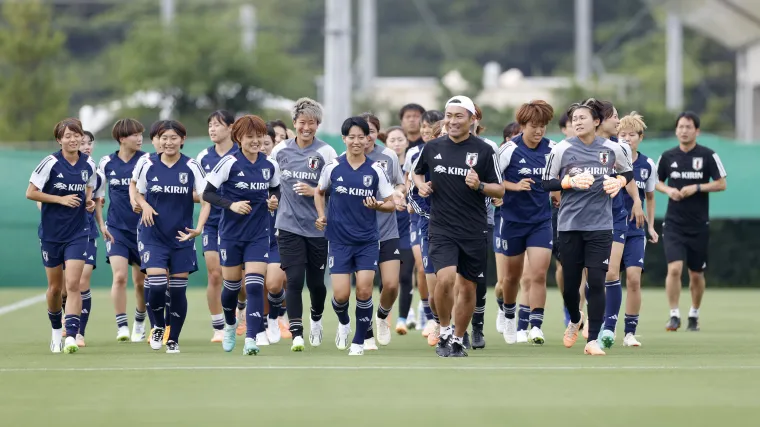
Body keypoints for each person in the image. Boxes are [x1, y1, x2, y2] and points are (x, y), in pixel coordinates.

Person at [413, 95, 504, 357]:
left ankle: (458, 338)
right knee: (445, 279)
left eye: (458, 116)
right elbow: (417, 172)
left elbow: (500, 189)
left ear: (472, 119)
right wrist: (421, 185)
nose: (452, 121)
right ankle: (443, 331)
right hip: (441, 227)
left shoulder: (485, 150)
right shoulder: (432, 148)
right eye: (449, 116)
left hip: (474, 229)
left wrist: (480, 186)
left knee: (468, 287)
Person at [542, 98, 633, 356]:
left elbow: (628, 173)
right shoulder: (561, 149)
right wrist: (568, 182)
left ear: (597, 122)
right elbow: (545, 183)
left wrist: (618, 182)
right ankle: (574, 318)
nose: (578, 122)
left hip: (601, 226)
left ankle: (592, 340)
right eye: (574, 119)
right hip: (569, 225)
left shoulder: (612, 149)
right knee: (570, 286)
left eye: (583, 118)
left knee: (596, 280)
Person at [315, 116, 395, 355]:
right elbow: (319, 193)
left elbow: (391, 203)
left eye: (362, 136)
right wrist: (322, 216)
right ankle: (344, 322)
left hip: (367, 241)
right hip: (338, 240)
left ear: (369, 138)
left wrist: (378, 206)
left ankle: (359, 342)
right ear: (344, 139)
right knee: (341, 295)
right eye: (352, 137)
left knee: (364, 290)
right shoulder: (332, 167)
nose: (357, 141)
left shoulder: (376, 170)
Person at [203, 115, 281, 355]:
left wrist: (273, 199)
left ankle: (251, 338)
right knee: (231, 288)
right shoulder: (229, 163)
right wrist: (231, 205)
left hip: (259, 234)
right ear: (238, 138)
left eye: (260, 137)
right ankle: (229, 324)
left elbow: (275, 187)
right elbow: (208, 194)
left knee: (256, 286)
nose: (256, 141)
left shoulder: (270, 165)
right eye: (250, 137)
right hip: (230, 235)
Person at [133, 120, 210, 353]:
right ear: (157, 140)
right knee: (156, 286)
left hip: (181, 237)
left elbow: (207, 200)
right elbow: (136, 189)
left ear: (182, 140)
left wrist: (198, 228)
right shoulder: (147, 164)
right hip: (152, 235)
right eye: (164, 138)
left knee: (177, 290)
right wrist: (143, 204)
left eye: (174, 138)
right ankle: (157, 326)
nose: (169, 142)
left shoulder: (192, 166)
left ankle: (173, 338)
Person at [270, 98, 338, 351]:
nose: (306, 127)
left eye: (311, 123)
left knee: (317, 284)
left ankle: (316, 318)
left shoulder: (327, 152)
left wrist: (315, 192)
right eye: (302, 123)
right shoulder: (279, 151)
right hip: (287, 226)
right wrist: (271, 200)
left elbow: (338, 188)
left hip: (317, 227)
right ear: (294, 124)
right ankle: (297, 332)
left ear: (317, 124)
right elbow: (271, 184)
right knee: (294, 279)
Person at [27, 118, 97, 353]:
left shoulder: (89, 164)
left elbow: (90, 189)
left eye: (76, 135)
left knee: (73, 284)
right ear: (59, 140)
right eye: (67, 136)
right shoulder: (50, 162)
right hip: (51, 234)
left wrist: (88, 202)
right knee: (56, 289)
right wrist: (60, 199)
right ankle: (56, 330)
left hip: (78, 232)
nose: (73, 139)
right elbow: (31, 193)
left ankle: (72, 334)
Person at [655, 111, 727, 332]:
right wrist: (669, 190)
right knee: (675, 269)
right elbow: (655, 181)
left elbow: (721, 183)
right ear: (676, 130)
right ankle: (674, 314)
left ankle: (694, 314)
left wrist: (696, 187)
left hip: (699, 224)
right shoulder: (667, 156)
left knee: (696, 274)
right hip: (674, 223)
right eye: (680, 127)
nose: (684, 130)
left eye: (688, 127)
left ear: (697, 131)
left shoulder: (708, 155)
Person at [498, 101, 555, 345]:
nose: (538, 131)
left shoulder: (553, 149)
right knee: (511, 277)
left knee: (538, 274)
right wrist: (515, 186)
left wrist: (558, 192)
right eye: (534, 126)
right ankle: (509, 315)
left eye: (542, 126)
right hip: (512, 221)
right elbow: (494, 182)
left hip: (541, 221)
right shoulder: (509, 150)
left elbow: (557, 179)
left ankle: (536, 325)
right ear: (523, 125)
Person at [593, 101, 644, 350]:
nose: (618, 121)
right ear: (599, 121)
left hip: (615, 217)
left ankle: (609, 329)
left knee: (612, 273)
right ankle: (577, 319)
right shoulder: (578, 147)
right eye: (613, 117)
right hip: (586, 219)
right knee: (590, 276)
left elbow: (629, 176)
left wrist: (636, 201)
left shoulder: (619, 149)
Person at [98, 119, 150, 343]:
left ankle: (140, 320)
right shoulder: (106, 162)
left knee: (141, 282)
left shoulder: (147, 160)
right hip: (116, 228)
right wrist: (100, 221)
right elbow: (97, 194)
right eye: (134, 135)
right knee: (119, 277)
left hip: (143, 229)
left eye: (141, 134)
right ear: (121, 138)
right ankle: (121, 325)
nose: (139, 138)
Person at [359, 112, 406, 347]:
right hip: (357, 233)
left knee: (391, 284)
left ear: (378, 134)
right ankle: (365, 331)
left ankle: (381, 316)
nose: (366, 138)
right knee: (363, 288)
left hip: (387, 229)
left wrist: (399, 193)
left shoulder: (388, 156)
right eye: (362, 132)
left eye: (372, 132)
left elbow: (400, 182)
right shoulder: (343, 159)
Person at [196, 110, 238, 343]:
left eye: (218, 125)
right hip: (213, 223)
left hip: (238, 224)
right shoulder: (204, 157)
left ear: (231, 127)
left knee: (238, 279)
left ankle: (240, 310)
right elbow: (202, 193)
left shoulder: (240, 153)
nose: (213, 129)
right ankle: (218, 326)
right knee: (215, 274)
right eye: (210, 125)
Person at [617, 112, 658, 346]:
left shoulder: (647, 164)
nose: (627, 138)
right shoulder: (611, 161)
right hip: (611, 228)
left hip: (635, 230)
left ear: (640, 137)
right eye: (622, 134)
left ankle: (630, 332)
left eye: (632, 134)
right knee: (609, 279)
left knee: (633, 279)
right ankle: (603, 326)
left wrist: (651, 226)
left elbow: (650, 198)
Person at [408, 110, 443, 337]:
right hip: (427, 224)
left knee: (454, 280)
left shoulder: (466, 154)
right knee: (428, 273)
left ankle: (455, 329)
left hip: (458, 227)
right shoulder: (418, 155)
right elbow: (412, 190)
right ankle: (434, 319)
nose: (426, 132)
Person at [385, 126, 415, 335]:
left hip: (408, 227)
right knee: (388, 280)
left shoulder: (414, 164)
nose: (396, 143)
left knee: (405, 276)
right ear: (386, 143)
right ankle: (383, 315)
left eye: (399, 139)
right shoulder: (381, 166)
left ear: (406, 141)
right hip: (385, 227)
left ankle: (403, 318)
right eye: (392, 140)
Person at [262, 123, 290, 341]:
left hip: (277, 234)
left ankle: (275, 316)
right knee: (252, 283)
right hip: (249, 235)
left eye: (266, 143)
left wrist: (275, 200)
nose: (260, 146)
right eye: (256, 141)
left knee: (273, 284)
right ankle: (260, 323)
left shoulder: (278, 168)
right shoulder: (237, 166)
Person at [77, 131, 105, 347]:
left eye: (89, 143)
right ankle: (60, 326)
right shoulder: (57, 166)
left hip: (87, 232)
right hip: (60, 233)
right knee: (65, 285)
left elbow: (96, 202)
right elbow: (39, 198)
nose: (86, 146)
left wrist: (102, 225)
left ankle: (78, 332)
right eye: (82, 142)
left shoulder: (97, 173)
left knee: (83, 279)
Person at [494, 122, 521, 335]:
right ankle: (501, 308)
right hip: (503, 222)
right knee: (503, 281)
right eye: (515, 136)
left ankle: (523, 321)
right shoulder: (501, 155)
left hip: (532, 223)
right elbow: (492, 181)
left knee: (527, 276)